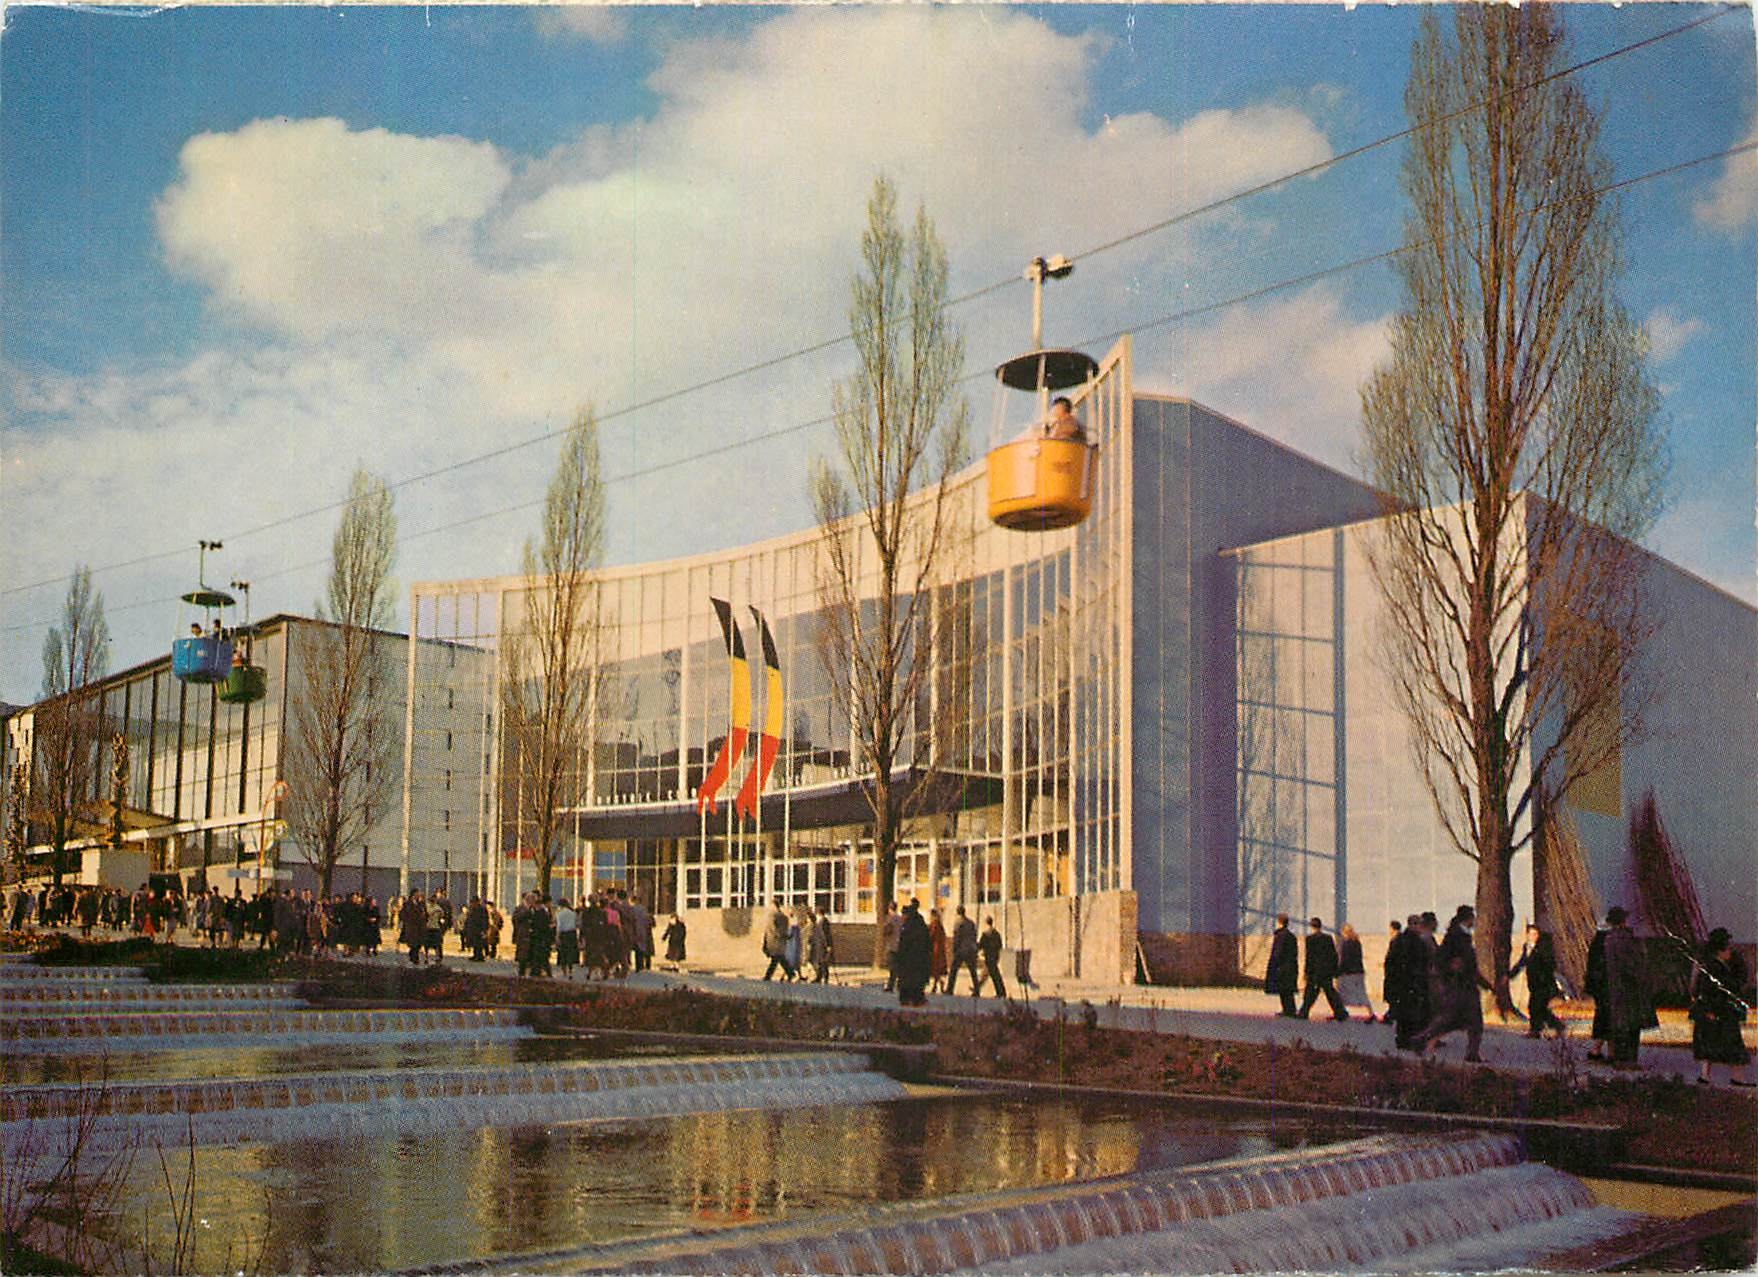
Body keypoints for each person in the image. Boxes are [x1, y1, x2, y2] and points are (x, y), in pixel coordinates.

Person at [1413, 906, 1487, 1062]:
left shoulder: (1460, 935)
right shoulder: (1457, 936)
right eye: (1472, 917)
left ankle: (1422, 1039)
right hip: (1460, 985)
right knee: (1468, 1021)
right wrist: (1451, 969)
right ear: (1467, 919)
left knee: (1454, 1020)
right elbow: (1442, 959)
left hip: (1463, 983)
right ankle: (1471, 1054)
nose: (1474, 920)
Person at [1691, 928, 1754, 1087]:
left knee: (1711, 1043)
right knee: (1731, 1044)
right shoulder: (1715, 967)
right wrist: (1709, 1010)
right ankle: (1736, 1077)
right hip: (1719, 1010)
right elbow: (1708, 989)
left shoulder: (1710, 964)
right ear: (1721, 949)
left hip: (1717, 1010)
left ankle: (1706, 1076)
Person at [1600, 905, 1653, 1067]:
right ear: (1623, 921)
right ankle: (1628, 1059)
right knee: (1631, 1026)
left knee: (1620, 1024)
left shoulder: (1609, 940)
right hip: (1629, 989)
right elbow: (1631, 966)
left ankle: (1619, 1057)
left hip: (1615, 988)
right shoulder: (1625, 940)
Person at [1510, 925, 1566, 1038]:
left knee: (1534, 1006)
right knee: (1540, 1008)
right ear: (1527, 935)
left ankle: (1535, 1030)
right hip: (1533, 984)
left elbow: (1550, 964)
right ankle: (1557, 1025)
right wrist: (1510, 975)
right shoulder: (1527, 947)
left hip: (1544, 984)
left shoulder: (1543, 948)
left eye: (1536, 934)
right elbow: (1522, 962)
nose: (1534, 937)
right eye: (1532, 934)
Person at [1298, 917, 1348, 1021]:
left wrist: (1306, 972)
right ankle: (1340, 1012)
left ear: (1312, 926)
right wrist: (1334, 969)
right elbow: (1333, 954)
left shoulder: (1310, 939)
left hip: (1315, 971)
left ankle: (1304, 1011)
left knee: (1311, 992)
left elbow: (1309, 957)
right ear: (1320, 926)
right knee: (1330, 992)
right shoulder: (1328, 938)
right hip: (1326, 971)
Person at [1335, 923, 1377, 1022]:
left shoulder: (1345, 943)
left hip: (1347, 973)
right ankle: (1370, 1012)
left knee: (1341, 992)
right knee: (1362, 993)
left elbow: (1343, 959)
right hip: (1359, 971)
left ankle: (1340, 1012)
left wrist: (1339, 971)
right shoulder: (1357, 942)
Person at [1584, 914, 1612, 1060]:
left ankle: (1599, 1049)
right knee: (1606, 1017)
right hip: (1605, 987)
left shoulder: (1596, 943)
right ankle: (1598, 1049)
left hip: (1598, 987)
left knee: (1603, 1016)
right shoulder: (1605, 944)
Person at [894, 900, 932, 1007]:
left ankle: (906, 998)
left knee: (907, 980)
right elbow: (927, 942)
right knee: (917, 981)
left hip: (908, 960)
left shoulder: (907, 927)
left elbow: (903, 944)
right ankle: (917, 998)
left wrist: (900, 957)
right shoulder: (921, 925)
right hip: (919, 959)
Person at [1264, 914, 1299, 1017]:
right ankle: (1290, 1009)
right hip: (1290, 966)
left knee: (1283, 989)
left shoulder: (1280, 936)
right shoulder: (1291, 936)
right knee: (1288, 990)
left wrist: (1273, 964)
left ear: (1279, 922)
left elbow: (1278, 952)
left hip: (1282, 967)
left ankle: (1288, 1010)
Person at [948, 906, 981, 996]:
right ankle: (977, 989)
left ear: (957, 912)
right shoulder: (971, 923)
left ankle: (950, 989)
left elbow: (957, 937)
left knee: (954, 970)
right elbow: (974, 935)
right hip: (970, 949)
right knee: (972, 971)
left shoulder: (958, 923)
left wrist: (954, 948)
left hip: (960, 950)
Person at [761, 904, 793, 982]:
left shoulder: (773, 916)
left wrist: (766, 940)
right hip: (780, 941)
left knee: (776, 958)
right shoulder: (784, 917)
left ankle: (768, 976)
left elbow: (772, 929)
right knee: (779, 958)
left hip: (774, 941)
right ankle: (790, 972)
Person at [398, 890, 428, 966]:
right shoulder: (408, 904)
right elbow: (402, 914)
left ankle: (413, 956)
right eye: (417, 894)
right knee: (413, 943)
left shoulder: (421, 904)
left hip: (420, 927)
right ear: (413, 895)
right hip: (411, 927)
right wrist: (406, 920)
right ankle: (414, 958)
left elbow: (426, 914)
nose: (418, 896)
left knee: (418, 944)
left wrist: (424, 919)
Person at [880, 901, 902, 993]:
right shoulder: (900, 918)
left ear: (889, 908)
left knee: (892, 968)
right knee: (898, 967)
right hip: (899, 945)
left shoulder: (890, 919)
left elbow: (888, 931)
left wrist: (884, 932)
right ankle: (899, 985)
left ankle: (890, 986)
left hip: (891, 946)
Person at [554, 897, 579, 978]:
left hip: (563, 934)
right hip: (572, 933)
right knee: (571, 951)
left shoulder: (559, 914)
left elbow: (559, 926)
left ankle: (564, 971)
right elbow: (576, 924)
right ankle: (571, 969)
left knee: (563, 953)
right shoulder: (573, 913)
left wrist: (557, 937)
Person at [927, 908, 950, 994]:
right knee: (938, 970)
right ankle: (938, 985)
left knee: (936, 969)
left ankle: (937, 986)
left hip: (935, 949)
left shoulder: (934, 924)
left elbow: (930, 936)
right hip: (940, 949)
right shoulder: (940, 925)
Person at [462, 896, 490, 962]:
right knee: (474, 943)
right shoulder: (472, 909)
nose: (472, 903)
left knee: (479, 943)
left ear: (477, 902)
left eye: (473, 902)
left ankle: (479, 956)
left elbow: (484, 920)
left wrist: (484, 929)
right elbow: (468, 918)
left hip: (478, 929)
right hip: (472, 929)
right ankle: (475, 955)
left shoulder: (481, 909)